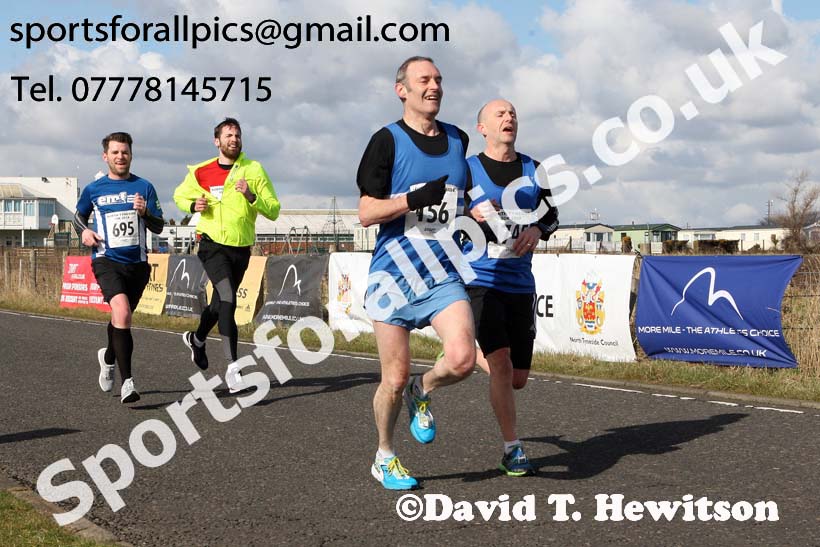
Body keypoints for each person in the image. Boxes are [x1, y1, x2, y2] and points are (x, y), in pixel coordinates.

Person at [357, 56, 476, 490]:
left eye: (439, 80)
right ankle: (384, 455)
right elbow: (367, 212)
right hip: (394, 277)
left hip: (442, 273)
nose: (434, 87)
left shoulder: (458, 139)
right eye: (424, 80)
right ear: (401, 89)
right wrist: (412, 199)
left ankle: (421, 390)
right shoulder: (385, 141)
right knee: (392, 377)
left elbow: (463, 198)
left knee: (463, 359)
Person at [464, 99, 559, 476]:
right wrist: (463, 214)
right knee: (501, 363)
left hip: (520, 282)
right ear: (482, 127)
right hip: (479, 280)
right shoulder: (467, 171)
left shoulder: (535, 170)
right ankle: (512, 448)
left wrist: (537, 229)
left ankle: (460, 357)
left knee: (517, 379)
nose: (509, 119)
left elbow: (552, 215)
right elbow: (443, 217)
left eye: (513, 114)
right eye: (500, 114)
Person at [173, 118, 280, 392]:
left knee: (220, 304)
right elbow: (178, 196)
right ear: (217, 141)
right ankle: (233, 369)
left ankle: (197, 339)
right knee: (230, 298)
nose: (234, 139)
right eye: (228, 135)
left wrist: (252, 195)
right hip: (211, 244)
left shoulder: (253, 170)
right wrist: (191, 204)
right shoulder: (201, 171)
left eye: (237, 135)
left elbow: (274, 209)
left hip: (241, 247)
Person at [73, 132, 165, 404]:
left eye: (124, 152)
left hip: (137, 265)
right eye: (115, 152)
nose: (120, 156)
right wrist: (85, 233)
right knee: (122, 313)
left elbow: (159, 226)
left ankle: (109, 357)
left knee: (119, 319)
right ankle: (128, 383)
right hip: (106, 260)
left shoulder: (145, 186)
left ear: (131, 155)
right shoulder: (94, 189)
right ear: (106, 156)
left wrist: (145, 212)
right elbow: (78, 217)